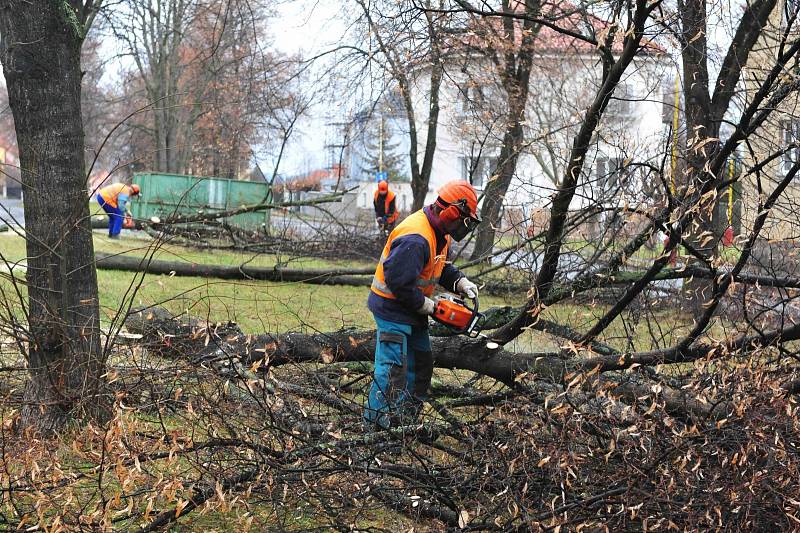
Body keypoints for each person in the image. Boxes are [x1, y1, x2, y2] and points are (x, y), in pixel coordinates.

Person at [365, 180, 481, 428]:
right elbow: (399, 282)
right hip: (392, 308)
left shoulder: (441, 234)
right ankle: (376, 429)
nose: (463, 225)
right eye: (463, 219)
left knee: (420, 364)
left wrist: (460, 282)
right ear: (449, 212)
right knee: (392, 371)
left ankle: (405, 422)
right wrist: (426, 306)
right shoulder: (415, 237)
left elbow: (441, 265)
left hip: (412, 309)